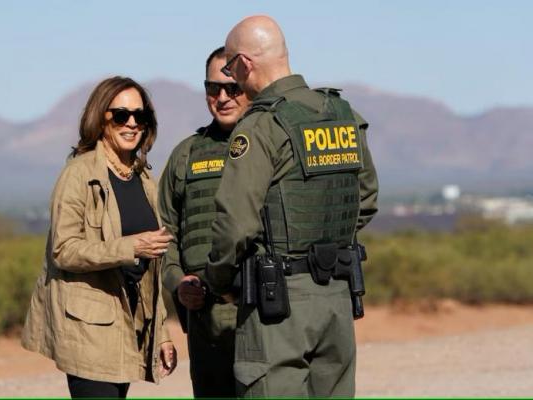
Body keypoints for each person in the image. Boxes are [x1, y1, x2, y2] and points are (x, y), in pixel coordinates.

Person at [205, 16, 379, 397]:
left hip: (277, 302)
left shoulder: (260, 126)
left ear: (246, 64)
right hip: (336, 295)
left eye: (232, 68)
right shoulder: (341, 114)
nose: (232, 80)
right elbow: (365, 199)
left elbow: (236, 224)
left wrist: (216, 281)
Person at [21, 76, 177, 398]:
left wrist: (161, 333)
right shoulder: (78, 174)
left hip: (129, 322)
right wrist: (130, 247)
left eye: (140, 115)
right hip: (87, 328)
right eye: (121, 115)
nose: (132, 123)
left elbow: (153, 271)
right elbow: (63, 250)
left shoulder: (146, 179)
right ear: (100, 118)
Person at [158, 46, 250, 397]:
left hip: (264, 317)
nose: (222, 97)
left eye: (232, 88)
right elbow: (164, 233)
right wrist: (178, 283)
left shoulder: (273, 143)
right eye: (214, 88)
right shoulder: (187, 154)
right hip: (206, 321)